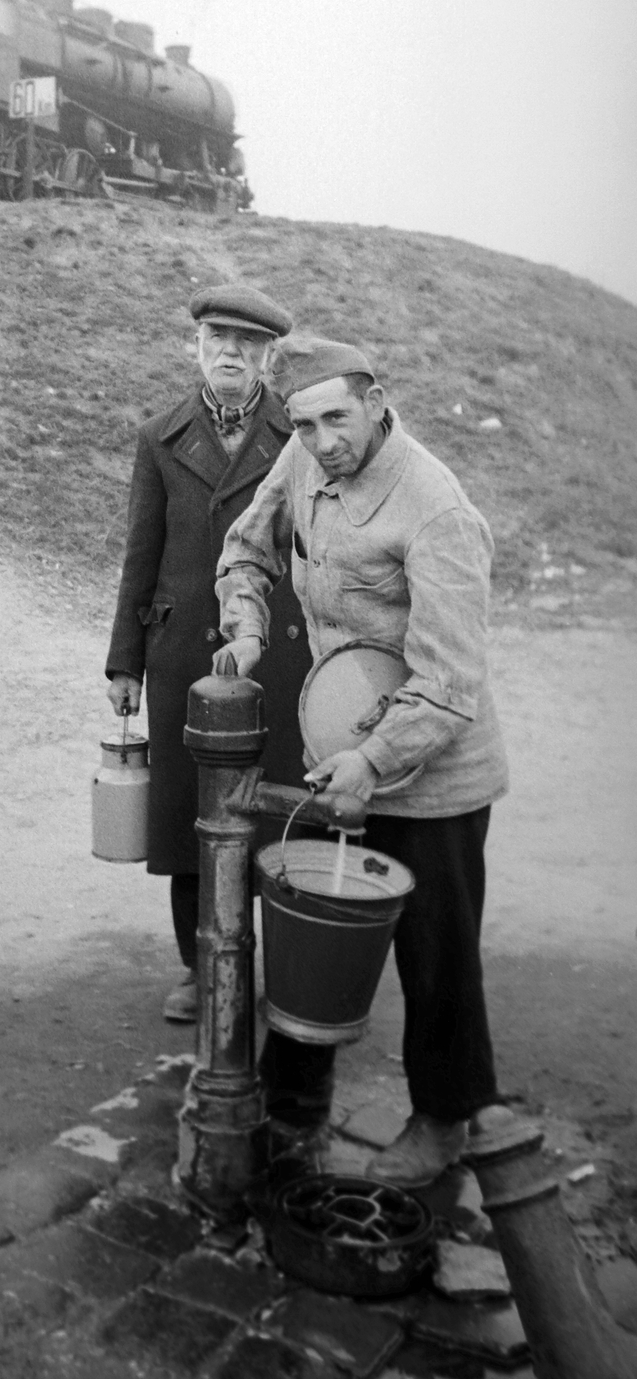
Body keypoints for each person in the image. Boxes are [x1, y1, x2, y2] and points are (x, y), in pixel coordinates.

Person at [214, 333, 512, 1186]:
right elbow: (248, 545)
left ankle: (445, 1119)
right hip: (340, 745)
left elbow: (451, 682)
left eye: (336, 418)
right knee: (315, 924)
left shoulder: (438, 510)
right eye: (302, 424)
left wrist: (375, 764)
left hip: (435, 769)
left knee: (435, 954)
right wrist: (247, 623)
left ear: (378, 400)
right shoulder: (304, 462)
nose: (320, 441)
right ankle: (295, 1106)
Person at [104, 285, 312, 1026]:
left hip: (274, 658)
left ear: (269, 357)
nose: (231, 352)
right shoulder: (160, 436)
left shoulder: (299, 434)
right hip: (180, 658)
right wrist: (125, 661)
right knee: (188, 819)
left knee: (274, 812)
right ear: (195, 346)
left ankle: (277, 966)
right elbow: (141, 553)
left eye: (248, 344)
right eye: (218, 338)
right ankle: (199, 967)